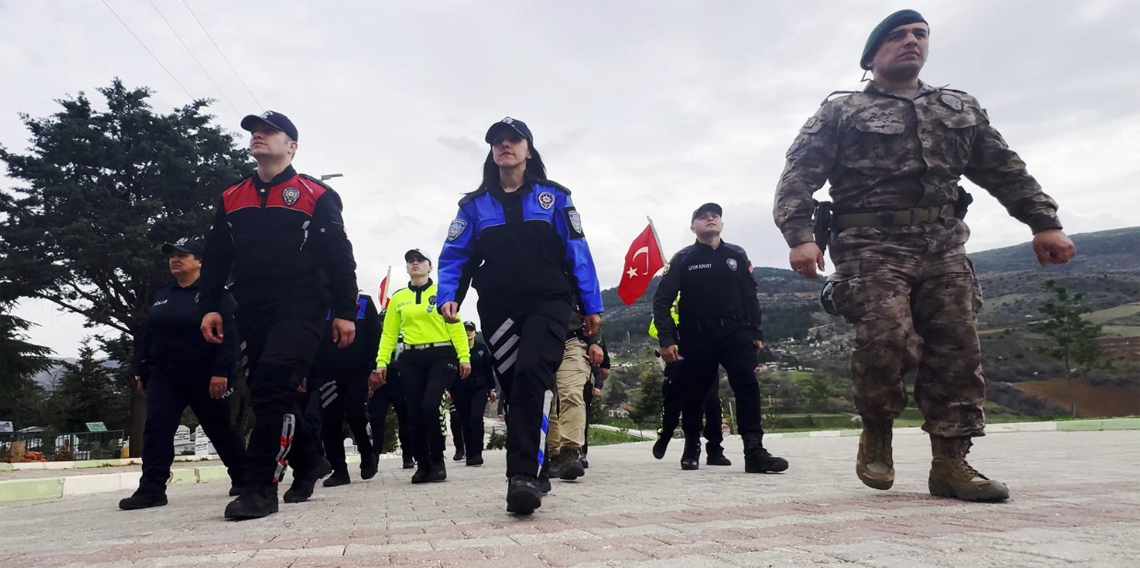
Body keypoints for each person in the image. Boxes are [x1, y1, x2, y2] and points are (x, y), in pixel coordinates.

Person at [773, 10, 1076, 502]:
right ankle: (877, 430)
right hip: (869, 243)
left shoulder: (957, 107)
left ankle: (951, 463)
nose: (910, 42)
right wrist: (799, 235)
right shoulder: (841, 112)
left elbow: (1003, 168)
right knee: (885, 339)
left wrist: (1044, 222)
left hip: (942, 243)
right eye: (896, 36)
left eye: (919, 34)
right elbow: (799, 176)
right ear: (871, 57)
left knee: (957, 349)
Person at [437, 117, 603, 515]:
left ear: (529, 150)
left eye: (514, 140)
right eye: (497, 141)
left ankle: (521, 476)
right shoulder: (473, 206)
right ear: (491, 152)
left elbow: (577, 250)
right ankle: (538, 468)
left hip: (549, 301)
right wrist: (450, 295)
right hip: (498, 308)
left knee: (532, 375)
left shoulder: (554, 197)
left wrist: (591, 303)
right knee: (516, 388)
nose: (505, 146)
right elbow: (455, 254)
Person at [200, 110, 359, 519]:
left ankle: (260, 488)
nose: (258, 135)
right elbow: (217, 258)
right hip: (251, 308)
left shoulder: (316, 195)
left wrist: (344, 312)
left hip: (302, 305)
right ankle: (309, 460)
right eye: (255, 131)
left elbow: (340, 257)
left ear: (291, 146)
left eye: (269, 131)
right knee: (270, 392)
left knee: (273, 387)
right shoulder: (232, 196)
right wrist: (212, 306)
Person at [653, 203, 787, 473]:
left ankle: (754, 450)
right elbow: (662, 300)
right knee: (695, 392)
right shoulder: (684, 258)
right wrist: (667, 340)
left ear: (721, 224)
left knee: (747, 386)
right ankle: (692, 446)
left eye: (715, 215)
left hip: (735, 331)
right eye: (702, 216)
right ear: (693, 228)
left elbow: (751, 296)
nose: (710, 218)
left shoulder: (736, 255)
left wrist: (756, 332)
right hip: (696, 333)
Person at [120, 238, 247, 510]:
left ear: (200, 261)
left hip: (205, 374)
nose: (175, 260)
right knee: (156, 430)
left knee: (220, 429)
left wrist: (221, 372)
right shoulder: (163, 294)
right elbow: (150, 335)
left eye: (183, 255)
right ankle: (151, 489)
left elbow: (230, 337)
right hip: (165, 375)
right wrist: (142, 370)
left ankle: (244, 477)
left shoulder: (216, 295)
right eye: (172, 256)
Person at [369, 249, 470, 484]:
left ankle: (438, 461)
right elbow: (389, 334)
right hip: (411, 358)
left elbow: (456, 327)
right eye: (410, 261)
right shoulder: (399, 297)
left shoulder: (443, 293)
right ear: (406, 268)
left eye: (419, 260)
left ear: (429, 267)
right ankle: (422, 465)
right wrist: (381, 363)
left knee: (429, 406)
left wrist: (463, 356)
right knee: (413, 412)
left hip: (441, 354)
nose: (414, 264)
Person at [648, 303, 729, 467]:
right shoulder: (672, 301)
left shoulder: (707, 296)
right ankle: (665, 434)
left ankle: (715, 449)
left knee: (712, 401)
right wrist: (672, 336)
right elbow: (654, 328)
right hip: (677, 358)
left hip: (705, 354)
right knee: (673, 402)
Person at [314, 293, 381, 487]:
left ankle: (368, 454)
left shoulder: (364, 303)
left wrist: (374, 368)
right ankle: (339, 470)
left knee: (355, 414)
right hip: (327, 372)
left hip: (359, 371)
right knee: (329, 420)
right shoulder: (320, 303)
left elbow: (375, 337)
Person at [546, 307, 605, 481]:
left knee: (572, 393)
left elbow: (592, 309)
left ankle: (570, 453)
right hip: (539, 342)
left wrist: (596, 342)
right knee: (546, 400)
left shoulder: (576, 279)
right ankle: (553, 453)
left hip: (572, 340)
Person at [448, 321, 499, 466]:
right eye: (465, 330)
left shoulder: (482, 349)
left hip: (479, 387)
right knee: (465, 420)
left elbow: (488, 370)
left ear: (475, 333)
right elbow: (451, 372)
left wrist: (492, 389)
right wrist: (449, 390)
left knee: (476, 418)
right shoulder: (456, 350)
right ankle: (469, 452)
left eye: (471, 330)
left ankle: (477, 452)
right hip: (460, 388)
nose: (468, 333)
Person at [367, 327, 415, 469]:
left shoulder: (405, 334)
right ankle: (374, 457)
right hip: (380, 383)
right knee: (376, 419)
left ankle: (408, 455)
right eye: (381, 321)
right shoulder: (374, 337)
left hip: (401, 382)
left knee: (405, 420)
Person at [580, 340, 608, 470]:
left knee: (582, 421)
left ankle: (582, 453)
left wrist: (597, 387)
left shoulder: (588, 355)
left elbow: (597, 374)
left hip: (585, 390)